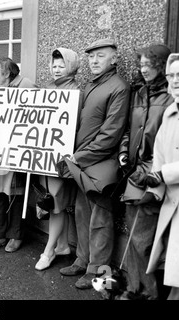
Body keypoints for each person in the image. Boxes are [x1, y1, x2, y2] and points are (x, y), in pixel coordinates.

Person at [58, 39, 131, 289]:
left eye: (100, 56)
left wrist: (80, 157)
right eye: (91, 57)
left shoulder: (119, 87)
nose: (94, 61)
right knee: (81, 212)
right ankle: (82, 260)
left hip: (102, 165)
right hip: (83, 162)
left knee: (100, 219)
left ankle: (97, 272)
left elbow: (111, 134)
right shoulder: (91, 84)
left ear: (114, 59)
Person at [117, 44, 172, 300]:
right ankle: (133, 287)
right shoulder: (139, 92)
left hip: (154, 175)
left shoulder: (171, 97)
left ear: (162, 66)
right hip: (134, 171)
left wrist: (149, 172)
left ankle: (149, 292)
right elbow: (130, 129)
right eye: (141, 64)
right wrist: (124, 153)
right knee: (133, 231)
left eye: (149, 64)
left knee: (143, 238)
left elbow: (168, 144)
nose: (143, 68)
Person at [35, 48, 80, 269]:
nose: (56, 69)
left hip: (61, 158)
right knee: (54, 200)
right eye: (53, 65)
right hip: (46, 156)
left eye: (61, 65)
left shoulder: (76, 91)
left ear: (71, 66)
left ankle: (49, 250)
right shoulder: (48, 88)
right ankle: (62, 245)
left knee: (57, 204)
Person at [0, 56, 37, 252]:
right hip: (0, 145)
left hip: (19, 147)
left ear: (7, 73)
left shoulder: (26, 85)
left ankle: (16, 235)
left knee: (16, 191)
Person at [146, 53, 179, 300]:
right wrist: (154, 189)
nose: (175, 81)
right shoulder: (170, 112)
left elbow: (164, 168)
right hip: (171, 199)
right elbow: (159, 151)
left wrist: (162, 175)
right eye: (171, 75)